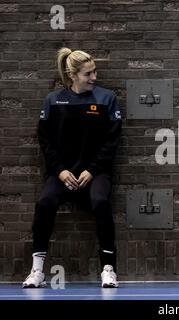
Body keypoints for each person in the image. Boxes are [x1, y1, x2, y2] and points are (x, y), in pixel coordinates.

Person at [22, 48, 122, 288]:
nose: (94, 77)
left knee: (100, 201)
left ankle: (108, 269)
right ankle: (37, 272)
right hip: (62, 172)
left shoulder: (107, 98)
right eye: (88, 73)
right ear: (73, 75)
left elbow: (112, 140)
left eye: (95, 71)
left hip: (96, 172)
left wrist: (93, 169)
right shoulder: (54, 100)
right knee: (45, 203)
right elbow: (44, 140)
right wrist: (60, 170)